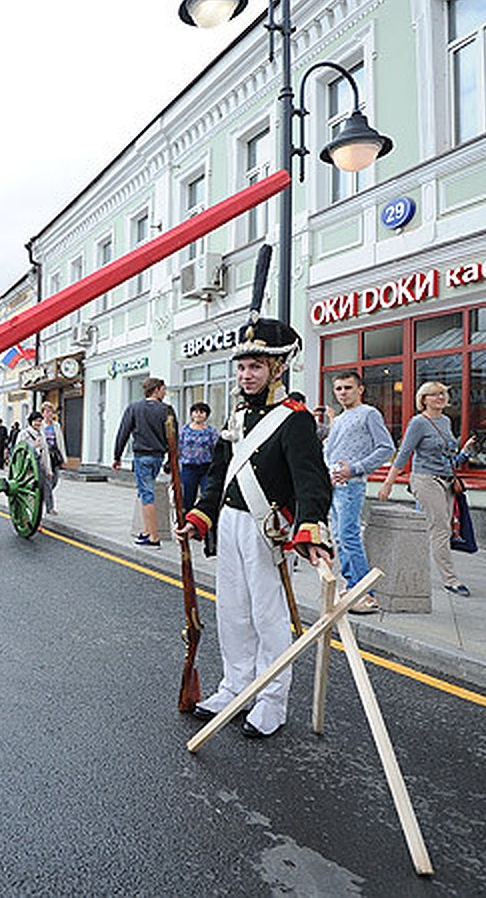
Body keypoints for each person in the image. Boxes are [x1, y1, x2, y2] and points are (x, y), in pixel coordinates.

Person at [176, 314, 333, 738]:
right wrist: (199, 516)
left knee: (268, 617)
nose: (246, 375)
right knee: (231, 611)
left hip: (267, 529)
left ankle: (271, 700)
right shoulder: (238, 415)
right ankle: (235, 685)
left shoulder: (294, 418)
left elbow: (311, 479)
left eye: (256, 367)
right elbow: (218, 472)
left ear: (277, 369)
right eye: (242, 367)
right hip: (228, 524)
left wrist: (312, 529)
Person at [377, 382, 477, 597]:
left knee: (441, 529)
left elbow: (447, 457)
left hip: (448, 481)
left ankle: (402, 563)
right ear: (424, 399)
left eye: (443, 393)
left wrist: (464, 452)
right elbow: (404, 454)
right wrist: (388, 483)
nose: (440, 397)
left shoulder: (446, 421)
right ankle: (450, 580)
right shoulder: (418, 423)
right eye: (434, 395)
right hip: (425, 479)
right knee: (440, 528)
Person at [322, 371, 395, 614]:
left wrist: (355, 469)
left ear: (360, 389)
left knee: (349, 536)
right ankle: (352, 585)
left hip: (351, 485)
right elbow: (330, 452)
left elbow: (386, 448)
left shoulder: (369, 413)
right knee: (340, 537)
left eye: (348, 387)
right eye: (339, 388)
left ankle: (366, 594)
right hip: (334, 484)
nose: (343, 392)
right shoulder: (340, 419)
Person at [112, 378, 172, 546]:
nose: (165, 393)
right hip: (158, 457)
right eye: (163, 389)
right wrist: (171, 459)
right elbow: (173, 437)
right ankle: (146, 530)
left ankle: (153, 537)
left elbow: (123, 433)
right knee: (146, 491)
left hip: (142, 456)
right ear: (157, 390)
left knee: (146, 494)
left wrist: (117, 456)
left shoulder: (134, 408)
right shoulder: (166, 410)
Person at [178, 402, 218, 513]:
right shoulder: (184, 430)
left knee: (207, 495)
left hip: (206, 467)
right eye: (195, 412)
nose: (198, 414)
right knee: (188, 496)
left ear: (206, 415)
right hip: (189, 467)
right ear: (191, 414)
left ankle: (204, 519)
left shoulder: (211, 431)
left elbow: (216, 449)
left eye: (202, 412)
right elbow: (178, 447)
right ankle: (187, 519)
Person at [39, 402, 68, 515]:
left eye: (51, 411)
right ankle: (50, 507)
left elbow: (60, 442)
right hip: (44, 456)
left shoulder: (56, 425)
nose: (49, 414)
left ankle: (44, 496)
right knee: (47, 482)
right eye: (47, 411)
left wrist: (64, 458)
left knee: (54, 481)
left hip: (54, 455)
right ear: (43, 413)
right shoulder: (40, 425)